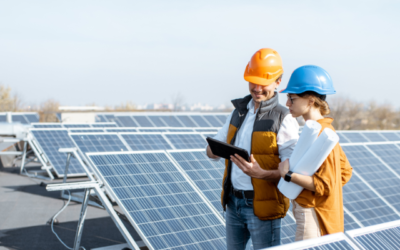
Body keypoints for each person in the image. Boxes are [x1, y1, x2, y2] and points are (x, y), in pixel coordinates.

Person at [206, 48, 299, 249]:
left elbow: (292, 172)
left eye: (263, 83)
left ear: (277, 82)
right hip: (233, 204)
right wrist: (213, 149)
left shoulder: (285, 118)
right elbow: (211, 151)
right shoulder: (238, 113)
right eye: (252, 81)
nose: (257, 88)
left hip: (263, 207)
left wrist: (261, 173)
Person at [278, 65, 353, 241]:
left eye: (292, 98)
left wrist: (288, 175)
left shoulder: (321, 135)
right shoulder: (325, 131)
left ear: (311, 100)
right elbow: (344, 173)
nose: (287, 103)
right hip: (318, 214)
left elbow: (326, 185)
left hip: (313, 218)